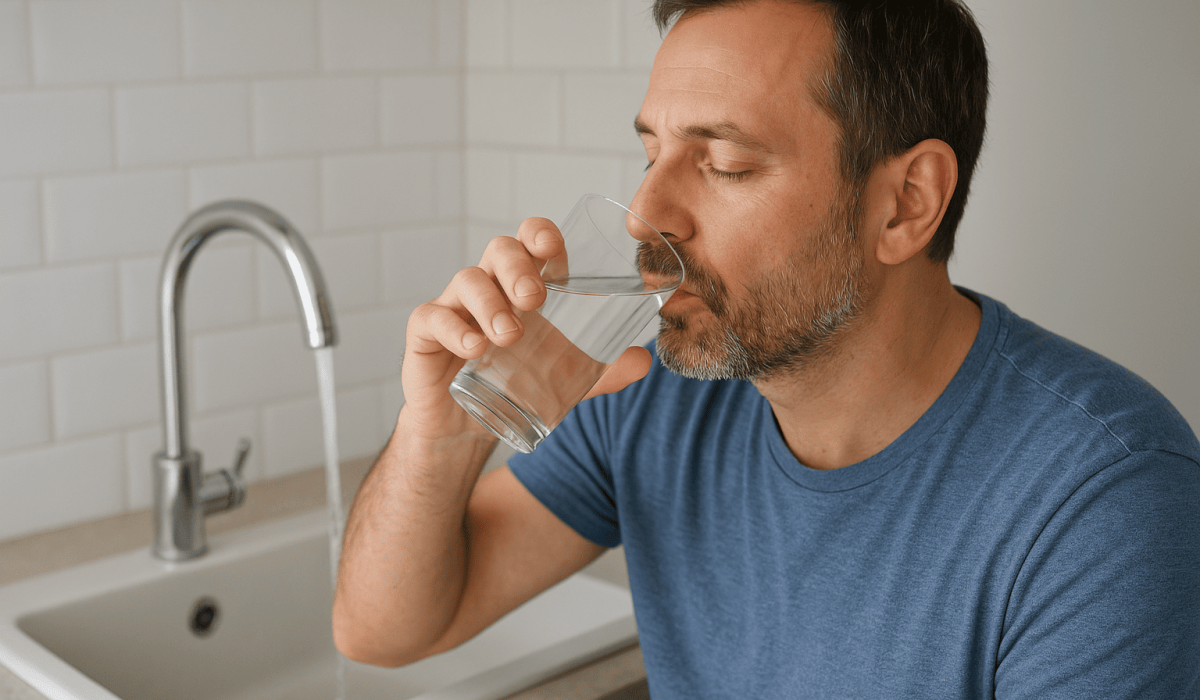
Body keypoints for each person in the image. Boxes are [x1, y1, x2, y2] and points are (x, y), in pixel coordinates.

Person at [333, 0, 1200, 697]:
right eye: (651, 153)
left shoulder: (1109, 499)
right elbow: (385, 631)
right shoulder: (650, 390)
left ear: (905, 203)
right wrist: (442, 437)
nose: (648, 215)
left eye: (725, 165)